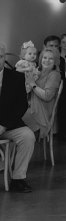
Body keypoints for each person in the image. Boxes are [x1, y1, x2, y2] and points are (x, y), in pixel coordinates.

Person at [0, 43, 36, 193]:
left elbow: (21, 105)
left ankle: (18, 178)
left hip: (8, 124)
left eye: (0, 57)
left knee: (28, 136)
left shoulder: (15, 77)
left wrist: (4, 125)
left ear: (4, 57)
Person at [22, 48, 61, 135]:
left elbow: (47, 96)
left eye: (51, 58)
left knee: (9, 120)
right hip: (30, 106)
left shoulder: (54, 75)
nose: (47, 60)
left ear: (55, 61)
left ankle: (12, 147)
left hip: (40, 113)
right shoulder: (36, 72)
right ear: (40, 59)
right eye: (44, 58)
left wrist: (33, 84)